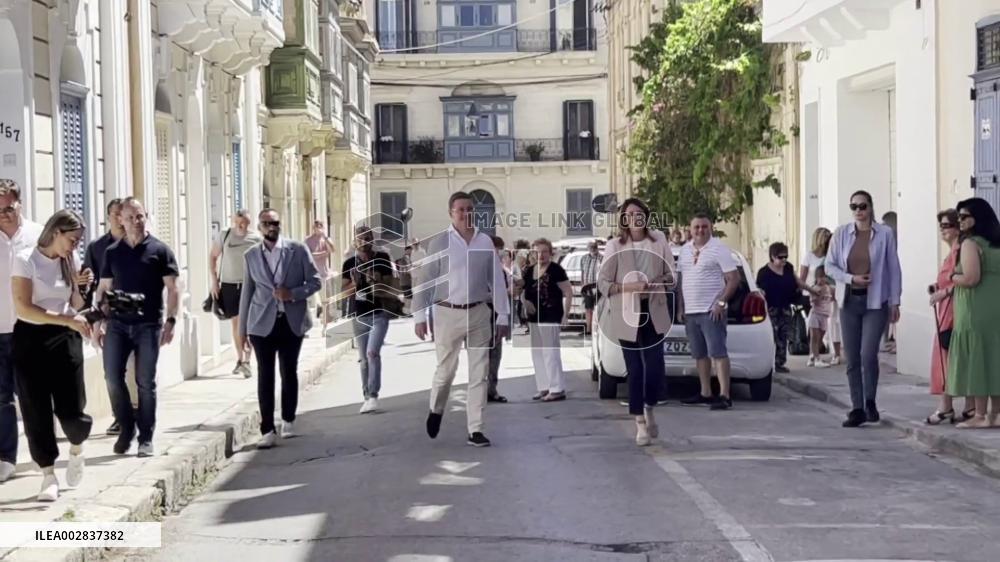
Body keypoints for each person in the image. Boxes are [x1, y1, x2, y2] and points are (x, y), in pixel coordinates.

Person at [413, 191, 510, 448]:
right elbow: (425, 281)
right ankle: (436, 408)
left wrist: (503, 315)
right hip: (446, 313)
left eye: (469, 209)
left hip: (479, 312)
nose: (466, 214)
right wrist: (419, 315)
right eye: (460, 210)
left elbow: (497, 280)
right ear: (451, 213)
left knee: (479, 372)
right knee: (446, 371)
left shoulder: (484, 242)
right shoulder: (440, 243)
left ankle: (475, 429)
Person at [11, 210, 92, 501]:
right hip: (31, 338)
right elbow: (24, 308)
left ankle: (77, 448)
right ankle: (48, 475)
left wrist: (82, 287)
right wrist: (67, 319)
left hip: (65, 339)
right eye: (72, 239)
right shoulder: (24, 259)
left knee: (73, 411)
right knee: (36, 410)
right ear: (56, 232)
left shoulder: (71, 261)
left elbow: (75, 303)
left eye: (79, 241)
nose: (75, 246)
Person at [94, 198, 180, 457]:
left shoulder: (160, 250)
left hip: (148, 325)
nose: (136, 222)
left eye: (140, 216)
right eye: (130, 217)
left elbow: (174, 288)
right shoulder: (112, 252)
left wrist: (171, 321)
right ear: (120, 220)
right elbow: (104, 289)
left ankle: (146, 437)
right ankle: (126, 428)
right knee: (112, 377)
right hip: (118, 324)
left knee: (145, 382)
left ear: (146, 216)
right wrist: (99, 321)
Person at [238, 209, 321, 448]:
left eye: (275, 222)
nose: (271, 227)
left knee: (288, 371)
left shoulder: (297, 250)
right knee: (265, 375)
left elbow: (315, 281)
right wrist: (242, 330)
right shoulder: (251, 255)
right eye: (266, 223)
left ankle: (288, 419)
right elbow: (247, 292)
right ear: (260, 227)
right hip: (261, 323)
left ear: (279, 224)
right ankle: (267, 429)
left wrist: (292, 294)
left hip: (291, 321)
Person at [598, 198, 674, 445]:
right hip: (626, 312)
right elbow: (603, 283)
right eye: (629, 215)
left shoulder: (658, 240)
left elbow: (672, 275)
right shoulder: (614, 245)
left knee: (654, 367)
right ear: (624, 220)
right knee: (635, 369)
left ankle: (649, 407)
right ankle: (639, 422)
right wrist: (629, 286)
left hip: (654, 308)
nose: (634, 218)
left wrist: (658, 282)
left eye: (638, 213)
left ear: (645, 216)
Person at [826, 190, 902, 428]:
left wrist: (895, 301)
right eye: (854, 206)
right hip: (850, 300)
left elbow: (893, 268)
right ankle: (856, 407)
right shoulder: (841, 234)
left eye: (863, 206)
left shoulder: (884, 234)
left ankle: (870, 401)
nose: (858, 211)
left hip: (875, 301)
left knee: (868, 354)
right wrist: (850, 278)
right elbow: (829, 265)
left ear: (870, 207)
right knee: (852, 358)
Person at [0, 179, 44, 485]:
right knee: (1, 398)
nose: (4, 213)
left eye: (9, 207)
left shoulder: (38, 235)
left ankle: (44, 455)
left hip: (31, 329)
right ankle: (6, 457)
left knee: (34, 396)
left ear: (20, 204)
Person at [82, 199, 135, 436]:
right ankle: (121, 417)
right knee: (112, 372)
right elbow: (89, 284)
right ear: (108, 217)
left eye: (123, 214)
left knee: (136, 369)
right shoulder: (96, 247)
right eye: (116, 214)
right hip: (109, 317)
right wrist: (91, 318)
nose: (120, 219)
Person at [947, 198, 1000, 429]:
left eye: (963, 216)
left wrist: (952, 277)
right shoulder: (996, 243)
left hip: (976, 308)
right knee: (995, 357)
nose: (959, 221)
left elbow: (971, 278)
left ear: (977, 217)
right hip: (995, 306)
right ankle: (996, 413)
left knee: (977, 358)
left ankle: (979, 414)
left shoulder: (970, 244)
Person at [678, 213, 740, 410]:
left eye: (704, 226)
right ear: (690, 228)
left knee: (718, 353)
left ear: (710, 228)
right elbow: (681, 282)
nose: (700, 230)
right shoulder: (684, 251)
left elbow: (734, 278)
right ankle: (705, 392)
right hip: (691, 312)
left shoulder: (719, 249)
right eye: (696, 227)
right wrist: (681, 307)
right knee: (699, 355)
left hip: (711, 311)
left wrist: (721, 303)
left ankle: (724, 395)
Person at [926, 209, 974, 425]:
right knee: (954, 357)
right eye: (941, 226)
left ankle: (947, 407)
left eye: (947, 226)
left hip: (954, 310)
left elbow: (963, 279)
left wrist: (942, 292)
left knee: (950, 358)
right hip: (948, 309)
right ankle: (968, 405)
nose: (942, 230)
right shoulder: (953, 251)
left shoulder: (960, 250)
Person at [342, 225, 393, 414]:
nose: (364, 242)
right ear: (355, 241)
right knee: (363, 359)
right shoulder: (349, 264)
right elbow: (344, 292)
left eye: (368, 238)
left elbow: (390, 287)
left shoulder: (382, 259)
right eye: (360, 239)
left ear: (372, 240)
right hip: (359, 315)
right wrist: (355, 284)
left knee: (373, 353)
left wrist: (376, 281)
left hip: (379, 313)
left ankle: (373, 395)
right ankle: (365, 396)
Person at [210, 210, 261, 378]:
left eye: (246, 223)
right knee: (237, 324)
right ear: (233, 221)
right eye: (239, 222)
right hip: (229, 285)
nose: (242, 226)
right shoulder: (225, 235)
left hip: (250, 285)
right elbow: (213, 257)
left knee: (249, 324)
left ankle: (247, 360)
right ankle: (240, 359)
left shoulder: (256, 239)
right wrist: (214, 282)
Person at [523, 238, 573, 402]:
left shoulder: (556, 270)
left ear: (550, 253)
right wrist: (525, 302)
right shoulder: (529, 270)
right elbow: (524, 291)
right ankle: (543, 387)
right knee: (537, 352)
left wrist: (566, 314)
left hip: (551, 315)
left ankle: (557, 388)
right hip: (534, 317)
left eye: (544, 251)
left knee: (550, 352)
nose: (541, 255)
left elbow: (568, 292)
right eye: (537, 252)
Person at [756, 242, 815, 373]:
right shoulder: (764, 273)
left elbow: (798, 282)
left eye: (785, 257)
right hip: (771, 308)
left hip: (785, 307)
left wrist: (812, 290)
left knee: (784, 336)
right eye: (780, 257)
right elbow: (759, 289)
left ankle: (779, 363)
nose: (784, 260)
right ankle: (767, 363)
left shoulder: (788, 268)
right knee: (772, 336)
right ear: (772, 256)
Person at [799, 227, 842, 365]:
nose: (828, 240)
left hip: (829, 294)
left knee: (823, 327)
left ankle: (817, 354)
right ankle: (814, 355)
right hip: (812, 294)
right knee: (814, 328)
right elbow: (802, 277)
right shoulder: (809, 256)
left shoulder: (830, 256)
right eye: (825, 237)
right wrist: (806, 290)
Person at [486, 237, 511, 403]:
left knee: (495, 355)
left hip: (496, 317)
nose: (499, 253)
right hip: (481, 316)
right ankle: (481, 390)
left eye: (500, 249)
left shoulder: (501, 270)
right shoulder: (479, 268)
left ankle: (491, 390)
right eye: (497, 249)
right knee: (480, 356)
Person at [305, 221, 337, 321]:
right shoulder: (308, 240)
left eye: (320, 226)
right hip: (312, 274)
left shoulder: (326, 239)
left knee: (326, 299)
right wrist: (323, 254)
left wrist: (326, 237)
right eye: (316, 226)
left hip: (324, 273)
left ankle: (326, 319)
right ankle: (318, 309)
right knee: (312, 297)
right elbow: (308, 255)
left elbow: (332, 250)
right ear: (313, 228)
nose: (318, 228)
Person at [807, 266, 835, 367]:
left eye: (824, 277)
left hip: (825, 316)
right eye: (820, 277)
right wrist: (818, 294)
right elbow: (813, 301)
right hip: (815, 314)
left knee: (820, 338)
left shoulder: (828, 288)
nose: (822, 279)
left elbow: (832, 298)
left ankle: (812, 356)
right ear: (816, 278)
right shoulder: (814, 288)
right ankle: (817, 359)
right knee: (814, 336)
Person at [580, 240, 602, 335]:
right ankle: (588, 330)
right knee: (588, 309)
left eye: (594, 246)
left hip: (598, 287)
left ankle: (597, 330)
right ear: (588, 248)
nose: (592, 248)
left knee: (598, 309)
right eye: (590, 246)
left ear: (597, 247)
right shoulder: (584, 258)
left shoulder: (602, 258)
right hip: (587, 288)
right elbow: (582, 273)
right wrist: (582, 285)